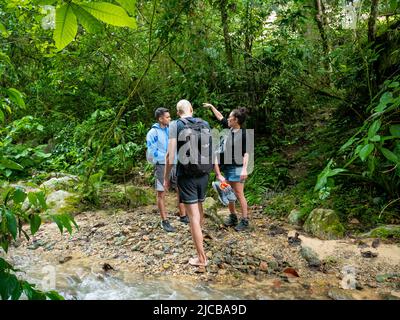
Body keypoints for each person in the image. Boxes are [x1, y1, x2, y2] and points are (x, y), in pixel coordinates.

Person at [164, 100, 212, 267]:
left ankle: (201, 258)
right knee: (200, 209)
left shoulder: (175, 125)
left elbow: (170, 155)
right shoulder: (205, 123)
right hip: (204, 173)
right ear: (191, 109)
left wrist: (165, 178)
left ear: (178, 113)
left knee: (193, 217)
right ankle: (201, 243)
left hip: (186, 175)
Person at [203, 102, 251, 231]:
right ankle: (233, 216)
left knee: (239, 193)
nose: (227, 119)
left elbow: (246, 153)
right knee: (228, 192)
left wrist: (245, 169)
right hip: (227, 167)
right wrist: (212, 107)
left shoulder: (244, 134)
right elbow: (220, 117)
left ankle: (245, 220)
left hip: (238, 167)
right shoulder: (229, 128)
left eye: (230, 117)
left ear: (236, 120)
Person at [146, 107, 188, 233]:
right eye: (167, 117)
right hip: (161, 165)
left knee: (180, 188)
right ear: (160, 119)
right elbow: (151, 151)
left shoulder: (171, 130)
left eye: (170, 117)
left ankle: (183, 215)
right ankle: (164, 221)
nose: (170, 119)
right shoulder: (152, 133)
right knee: (161, 192)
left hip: (174, 163)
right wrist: (165, 157)